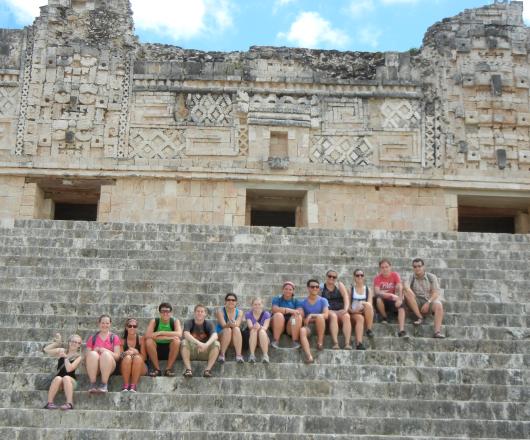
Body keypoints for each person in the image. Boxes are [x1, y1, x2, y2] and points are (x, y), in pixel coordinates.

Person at [403, 258, 446, 338]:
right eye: (415, 267)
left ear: (424, 267)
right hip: (415, 302)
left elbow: (436, 293)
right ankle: (420, 317)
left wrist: (428, 302)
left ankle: (437, 332)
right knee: (406, 292)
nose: (417, 268)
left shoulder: (431, 277)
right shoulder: (411, 277)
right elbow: (406, 287)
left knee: (439, 305)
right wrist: (411, 293)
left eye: (419, 266)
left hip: (428, 301)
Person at [43, 333, 83, 410]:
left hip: (70, 382)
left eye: (78, 343)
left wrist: (65, 358)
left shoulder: (78, 356)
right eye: (73, 341)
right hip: (59, 382)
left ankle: (69, 403)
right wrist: (57, 343)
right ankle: (49, 403)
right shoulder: (62, 350)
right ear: (69, 342)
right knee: (58, 378)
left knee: (66, 377)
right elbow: (46, 350)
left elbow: (69, 369)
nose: (75, 344)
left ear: (79, 345)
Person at [181, 304, 220, 378]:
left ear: (205, 314)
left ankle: (207, 370)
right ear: (194, 313)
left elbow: (215, 336)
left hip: (204, 352)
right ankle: (188, 370)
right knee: (184, 342)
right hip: (192, 352)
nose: (200, 313)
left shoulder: (209, 324)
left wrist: (206, 345)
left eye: (202, 311)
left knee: (216, 343)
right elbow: (186, 334)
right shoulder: (189, 322)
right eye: (198, 311)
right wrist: (199, 343)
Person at [86, 314, 122, 393]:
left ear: (110, 324)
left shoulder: (114, 337)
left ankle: (104, 384)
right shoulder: (93, 338)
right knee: (92, 354)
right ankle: (93, 384)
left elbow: (117, 356)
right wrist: (94, 351)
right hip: (95, 367)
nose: (105, 325)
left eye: (107, 323)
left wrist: (106, 350)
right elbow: (87, 357)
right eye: (102, 323)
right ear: (99, 324)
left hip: (109, 366)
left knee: (105, 355)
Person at [297, 279, 330, 363]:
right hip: (310, 327)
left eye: (317, 287)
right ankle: (309, 356)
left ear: (319, 288)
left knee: (320, 317)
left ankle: (320, 342)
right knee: (302, 330)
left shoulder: (323, 300)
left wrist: (312, 315)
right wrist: (310, 319)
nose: (315, 288)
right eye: (312, 287)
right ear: (308, 288)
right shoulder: (302, 302)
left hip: (321, 326)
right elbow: (303, 320)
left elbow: (326, 315)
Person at [145, 302, 182, 377]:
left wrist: (160, 332)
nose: (165, 313)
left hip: (170, 351)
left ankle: (168, 369)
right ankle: (157, 369)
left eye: (167, 311)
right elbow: (148, 335)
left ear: (171, 313)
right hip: (156, 350)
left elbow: (179, 334)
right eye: (163, 311)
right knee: (149, 341)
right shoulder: (155, 321)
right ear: (159, 312)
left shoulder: (175, 321)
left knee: (177, 341)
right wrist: (167, 337)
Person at [373, 259, 407, 337]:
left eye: (386, 267)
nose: (385, 269)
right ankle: (385, 317)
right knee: (378, 299)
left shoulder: (395, 275)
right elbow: (377, 292)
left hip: (393, 300)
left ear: (390, 267)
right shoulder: (377, 278)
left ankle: (402, 330)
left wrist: (399, 299)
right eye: (382, 267)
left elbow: (399, 287)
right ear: (380, 269)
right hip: (383, 300)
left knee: (401, 306)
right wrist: (390, 295)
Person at [321, 269, 352, 349]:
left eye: (334, 277)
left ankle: (347, 343)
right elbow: (318, 300)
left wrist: (345, 309)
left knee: (347, 316)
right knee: (333, 316)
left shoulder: (339, 285)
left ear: (336, 278)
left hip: (339, 309)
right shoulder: (321, 287)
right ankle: (335, 343)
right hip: (329, 310)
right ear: (326, 277)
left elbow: (346, 297)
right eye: (330, 276)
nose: (332, 278)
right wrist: (325, 311)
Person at [270, 281, 302, 349]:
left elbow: (300, 312)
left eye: (290, 289)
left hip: (290, 326)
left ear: (293, 291)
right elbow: (274, 309)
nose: (288, 291)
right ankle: (276, 340)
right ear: (283, 290)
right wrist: (289, 310)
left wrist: (293, 313)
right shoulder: (277, 299)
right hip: (277, 325)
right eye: (286, 289)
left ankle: (295, 340)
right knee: (278, 315)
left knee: (296, 317)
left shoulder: (296, 301)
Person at [349, 269, 375, 350]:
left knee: (368, 305)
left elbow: (370, 304)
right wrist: (353, 311)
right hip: (354, 312)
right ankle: (359, 343)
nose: (359, 277)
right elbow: (347, 306)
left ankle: (369, 329)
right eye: (357, 275)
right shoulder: (351, 289)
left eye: (361, 275)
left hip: (364, 311)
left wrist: (362, 304)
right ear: (354, 277)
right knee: (360, 318)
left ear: (364, 277)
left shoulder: (368, 289)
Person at [120, 317, 148, 392]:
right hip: (126, 365)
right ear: (126, 327)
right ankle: (126, 385)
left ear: (137, 328)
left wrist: (136, 352)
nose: (132, 327)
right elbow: (120, 357)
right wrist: (126, 353)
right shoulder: (122, 341)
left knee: (137, 358)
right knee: (128, 358)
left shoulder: (141, 339)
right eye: (130, 326)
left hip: (140, 366)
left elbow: (144, 357)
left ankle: (133, 386)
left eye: (134, 326)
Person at [215, 293, 244, 363]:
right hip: (221, 336)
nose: (231, 301)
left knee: (236, 329)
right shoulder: (220, 311)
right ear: (225, 301)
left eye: (233, 300)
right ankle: (222, 355)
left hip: (233, 338)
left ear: (236, 302)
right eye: (228, 300)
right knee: (227, 329)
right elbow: (223, 325)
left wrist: (233, 324)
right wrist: (229, 324)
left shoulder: (240, 312)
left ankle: (239, 355)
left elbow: (238, 324)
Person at [245, 297, 271, 363]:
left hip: (263, 339)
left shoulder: (266, 314)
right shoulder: (248, 314)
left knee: (262, 331)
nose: (257, 306)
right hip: (252, 339)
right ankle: (252, 355)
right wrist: (255, 327)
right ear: (252, 305)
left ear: (262, 305)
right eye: (255, 304)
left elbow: (265, 327)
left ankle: (265, 355)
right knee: (253, 330)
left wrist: (259, 327)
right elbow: (250, 326)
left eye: (259, 304)